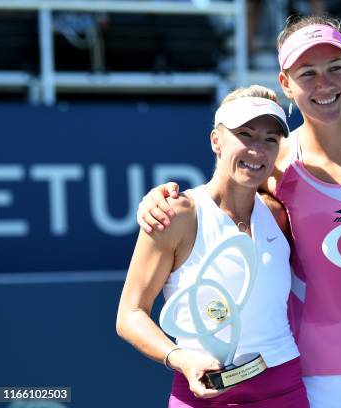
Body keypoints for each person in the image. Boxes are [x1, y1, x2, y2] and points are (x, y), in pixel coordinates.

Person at [137, 15, 341, 407]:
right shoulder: (274, 162)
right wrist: (159, 199)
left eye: (335, 69)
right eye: (307, 73)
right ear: (286, 84)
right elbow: (215, 197)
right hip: (319, 379)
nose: (324, 84)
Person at [116, 85, 309, 408]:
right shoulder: (176, 213)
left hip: (283, 389)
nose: (258, 150)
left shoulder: (279, 215)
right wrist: (181, 358)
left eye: (270, 139)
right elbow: (130, 314)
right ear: (216, 140)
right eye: (245, 134)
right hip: (202, 392)